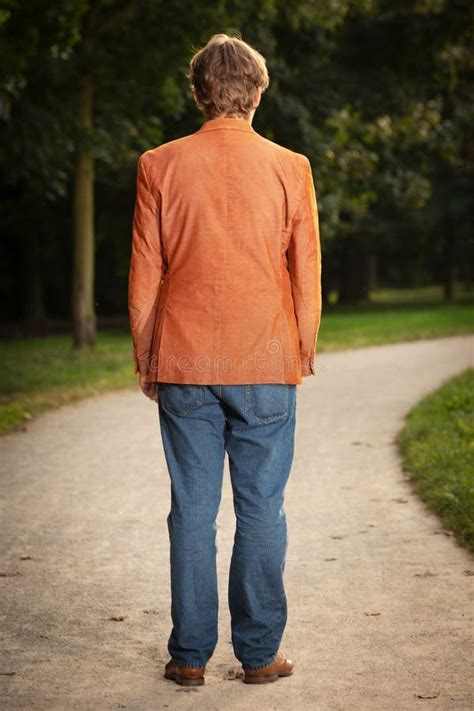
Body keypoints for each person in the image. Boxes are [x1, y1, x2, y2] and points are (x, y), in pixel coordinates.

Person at [128, 32, 322, 686]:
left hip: (185, 358)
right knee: (262, 505)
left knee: (191, 506)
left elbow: (144, 275)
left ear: (198, 92)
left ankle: (188, 657)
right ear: (258, 91)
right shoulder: (291, 166)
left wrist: (147, 354)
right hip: (266, 355)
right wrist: (303, 346)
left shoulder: (159, 164)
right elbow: (307, 273)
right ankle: (261, 652)